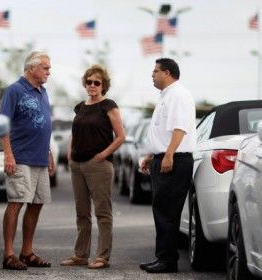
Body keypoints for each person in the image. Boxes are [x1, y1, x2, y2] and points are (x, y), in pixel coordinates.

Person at [60, 64, 125, 269]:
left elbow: (121, 136)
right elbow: (76, 131)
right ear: (85, 83)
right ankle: (80, 254)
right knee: (82, 212)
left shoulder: (109, 106)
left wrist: (103, 155)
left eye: (97, 82)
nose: (92, 85)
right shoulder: (80, 107)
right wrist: (70, 153)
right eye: (89, 82)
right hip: (77, 165)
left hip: (98, 165)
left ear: (103, 85)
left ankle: (102, 257)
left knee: (102, 212)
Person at [139, 58, 196, 273]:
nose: (152, 75)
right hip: (163, 157)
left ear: (167, 73)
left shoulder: (178, 95)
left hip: (175, 159)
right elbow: (163, 131)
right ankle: (162, 257)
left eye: (155, 71)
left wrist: (169, 155)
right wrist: (153, 155)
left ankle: (168, 261)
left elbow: (179, 129)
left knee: (167, 211)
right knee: (161, 209)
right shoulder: (166, 96)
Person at [0, 51, 54, 270]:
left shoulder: (43, 92)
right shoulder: (14, 90)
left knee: (37, 203)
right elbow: (3, 124)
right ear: (32, 68)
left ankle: (27, 252)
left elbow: (44, 125)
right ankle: (9, 254)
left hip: (39, 158)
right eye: (46, 68)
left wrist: (48, 152)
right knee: (16, 202)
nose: (49, 72)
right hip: (20, 157)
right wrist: (8, 154)